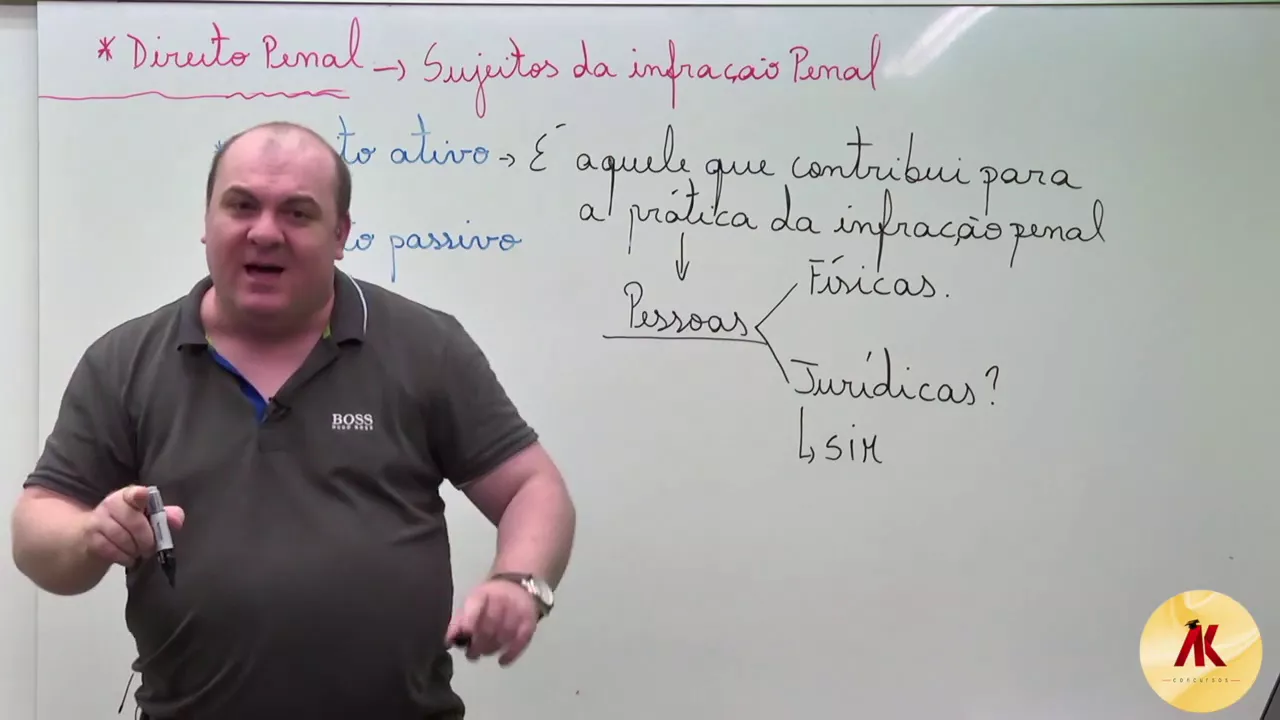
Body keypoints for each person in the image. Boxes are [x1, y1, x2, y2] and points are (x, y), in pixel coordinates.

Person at [9, 120, 576, 719]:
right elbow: (37, 527)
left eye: (297, 213)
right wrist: (88, 536)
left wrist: (520, 582)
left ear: (340, 234)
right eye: (241, 206)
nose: (264, 232)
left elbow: (532, 488)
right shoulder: (124, 362)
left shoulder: (425, 346)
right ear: (206, 221)